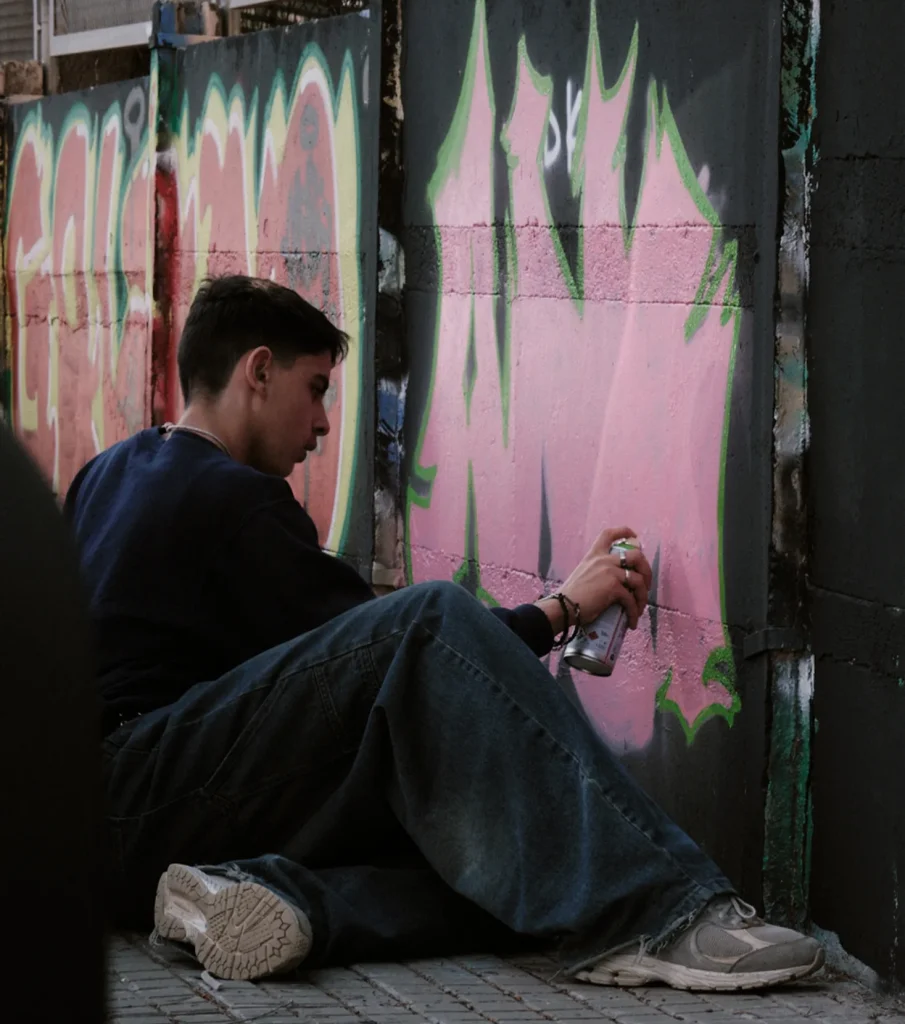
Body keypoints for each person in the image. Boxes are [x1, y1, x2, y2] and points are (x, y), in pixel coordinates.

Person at [64, 275, 824, 992]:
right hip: (146, 792)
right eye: (316, 390)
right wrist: (562, 608)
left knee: (492, 858)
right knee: (427, 619)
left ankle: (267, 897)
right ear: (257, 372)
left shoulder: (106, 473)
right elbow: (403, 653)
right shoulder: (235, 500)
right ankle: (660, 911)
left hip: (97, 832)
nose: (324, 423)